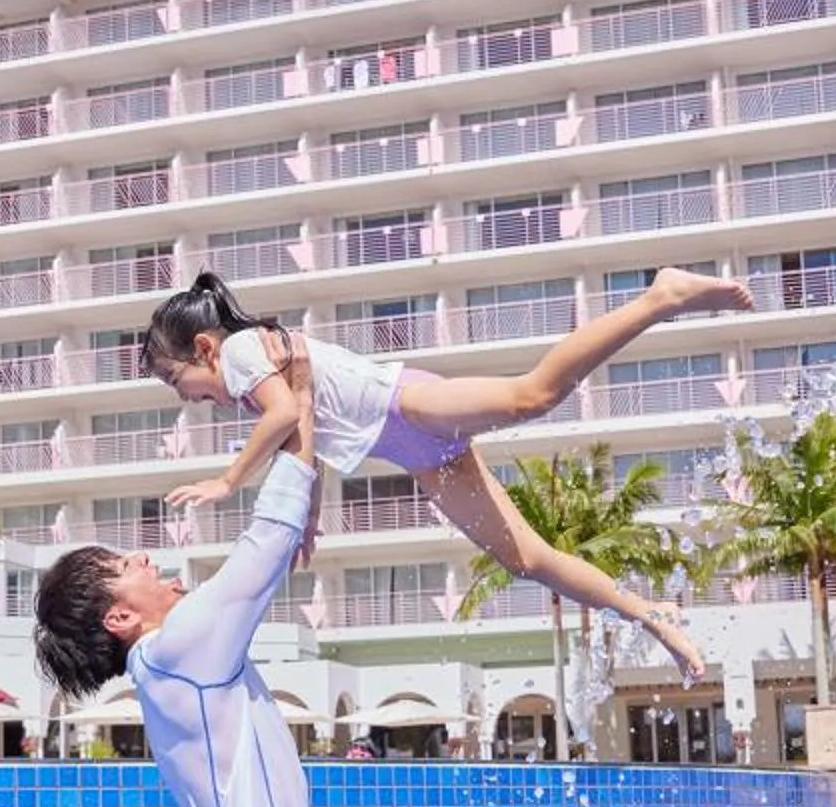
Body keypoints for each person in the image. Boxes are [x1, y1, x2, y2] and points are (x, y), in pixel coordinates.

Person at [143, 269, 751, 682]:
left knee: (532, 396)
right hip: (418, 455)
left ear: (204, 349)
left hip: (406, 406)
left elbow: (284, 416)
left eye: (176, 380)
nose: (184, 396)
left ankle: (660, 297)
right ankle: (650, 614)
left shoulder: (243, 353)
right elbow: (308, 429)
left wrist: (228, 482)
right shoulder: (250, 375)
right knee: (527, 559)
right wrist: (308, 516)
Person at [34, 341, 335, 807]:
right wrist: (294, 392)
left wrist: (300, 418)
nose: (144, 558)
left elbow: (275, 540)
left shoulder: (164, 668)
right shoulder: (181, 648)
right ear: (119, 619)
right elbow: (267, 538)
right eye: (124, 567)